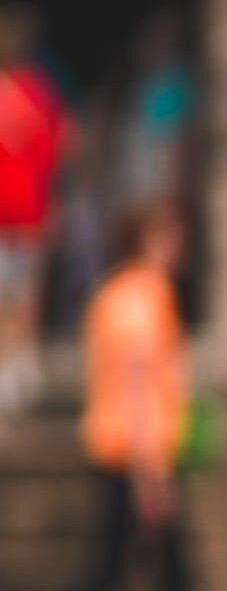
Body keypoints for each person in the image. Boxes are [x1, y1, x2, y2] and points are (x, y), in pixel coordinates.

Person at [4, 206, 207, 591]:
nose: (179, 246)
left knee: (169, 572)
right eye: (170, 234)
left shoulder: (114, 294)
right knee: (112, 573)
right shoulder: (144, 297)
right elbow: (140, 384)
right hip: (136, 456)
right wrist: (151, 475)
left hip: (119, 449)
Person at [0, 4, 69, 413]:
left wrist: (52, 201)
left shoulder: (37, 91)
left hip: (29, 212)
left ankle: (21, 361)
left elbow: (56, 144)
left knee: (25, 293)